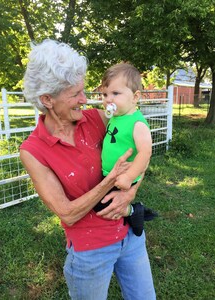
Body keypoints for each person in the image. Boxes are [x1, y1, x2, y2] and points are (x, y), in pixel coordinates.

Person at [20, 39, 156, 300]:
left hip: (131, 234)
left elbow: (141, 150)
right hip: (90, 251)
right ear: (47, 99)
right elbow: (67, 214)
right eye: (75, 94)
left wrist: (131, 190)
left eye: (83, 91)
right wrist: (111, 181)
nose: (85, 100)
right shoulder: (34, 151)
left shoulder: (97, 118)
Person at [93, 63, 157, 236]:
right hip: (110, 173)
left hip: (124, 176)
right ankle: (128, 214)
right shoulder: (116, 117)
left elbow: (145, 152)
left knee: (102, 204)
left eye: (115, 93)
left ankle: (134, 212)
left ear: (135, 97)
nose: (108, 99)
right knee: (101, 202)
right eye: (105, 94)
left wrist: (129, 177)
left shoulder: (137, 123)